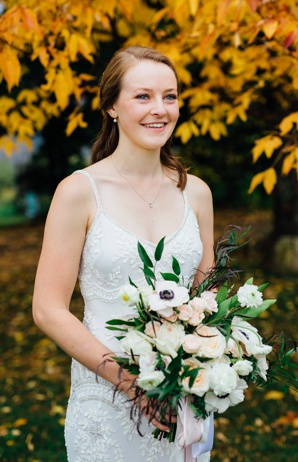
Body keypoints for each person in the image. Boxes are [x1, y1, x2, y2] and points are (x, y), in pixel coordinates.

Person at [32, 46, 215, 461]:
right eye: (143, 96)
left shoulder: (198, 193)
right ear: (112, 106)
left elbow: (206, 300)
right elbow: (47, 309)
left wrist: (206, 362)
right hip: (106, 406)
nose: (160, 109)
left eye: (170, 96)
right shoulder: (78, 192)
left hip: (179, 401)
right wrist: (132, 382)